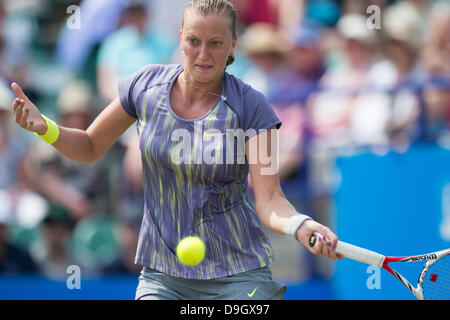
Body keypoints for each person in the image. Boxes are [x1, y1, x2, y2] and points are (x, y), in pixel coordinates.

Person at [11, 0, 341, 300]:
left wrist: (300, 225)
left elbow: (270, 199)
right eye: (194, 41)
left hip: (240, 277)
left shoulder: (252, 107)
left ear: (233, 45)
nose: (203, 54)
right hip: (163, 276)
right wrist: (47, 128)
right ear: (180, 37)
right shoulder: (144, 88)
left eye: (216, 44)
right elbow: (89, 146)